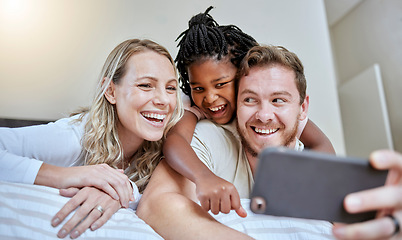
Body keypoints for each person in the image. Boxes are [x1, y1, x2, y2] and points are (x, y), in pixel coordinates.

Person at [137, 44, 334, 239]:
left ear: (303, 108)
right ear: (237, 100)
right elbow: (156, 206)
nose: (264, 115)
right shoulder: (208, 135)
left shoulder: (306, 155)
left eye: (278, 100)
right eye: (249, 99)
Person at [0, 38, 183, 239]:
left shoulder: (166, 145)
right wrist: (66, 176)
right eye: (146, 85)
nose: (164, 100)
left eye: (171, 88)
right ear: (110, 91)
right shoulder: (73, 136)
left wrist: (120, 189)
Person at [163, 6, 335, 218]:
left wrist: (304, 177)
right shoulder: (195, 108)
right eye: (198, 88)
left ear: (242, 77)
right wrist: (203, 177)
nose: (209, 98)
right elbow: (174, 141)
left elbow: (322, 144)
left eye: (221, 84)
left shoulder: (274, 113)